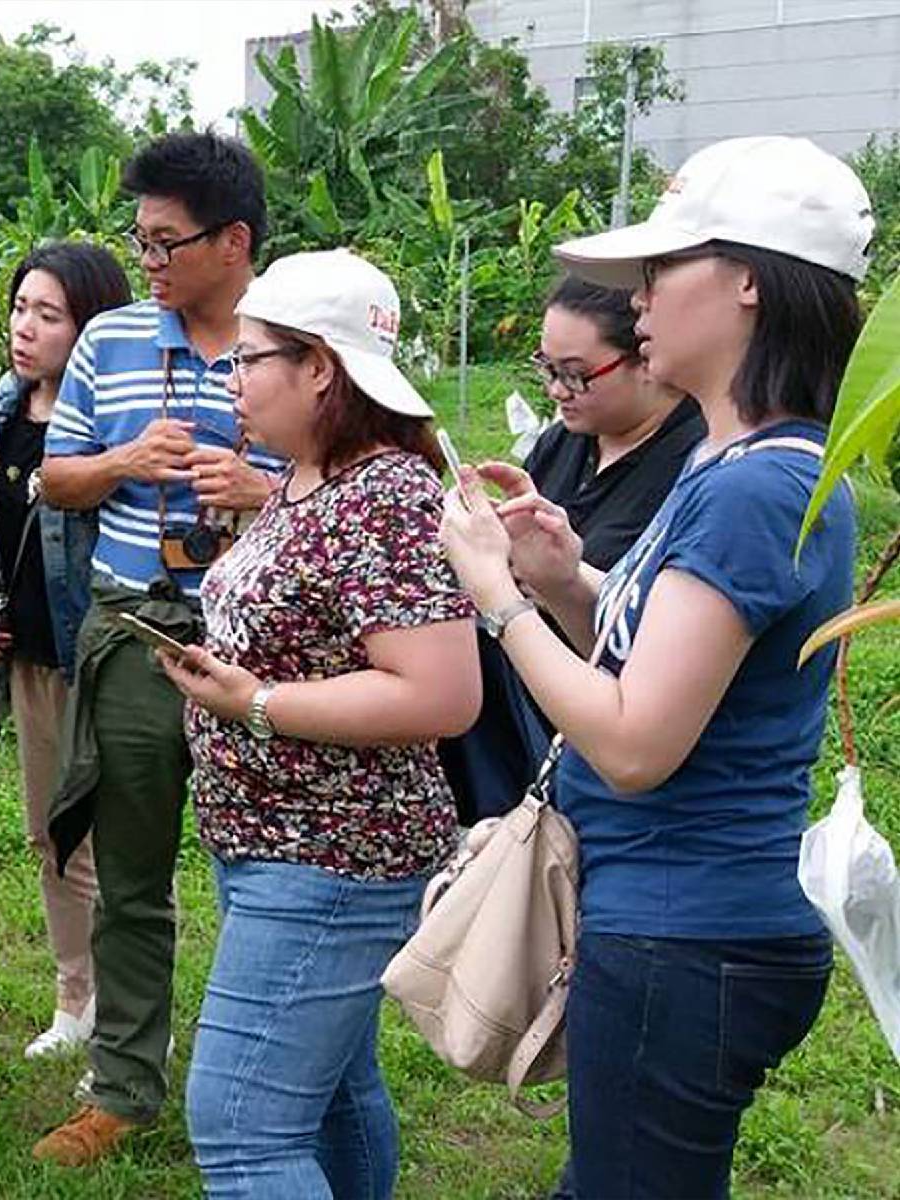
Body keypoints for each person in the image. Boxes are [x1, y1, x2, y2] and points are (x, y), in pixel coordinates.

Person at [439, 135, 869, 1197]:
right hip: (683, 924)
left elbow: (633, 742)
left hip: (688, 934)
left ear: (749, 286)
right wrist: (565, 580)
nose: (637, 302)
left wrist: (497, 598)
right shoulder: (736, 460)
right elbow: (660, 668)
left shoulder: (753, 487)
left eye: (661, 271)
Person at [159, 249, 479, 1198]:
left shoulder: (384, 494)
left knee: (242, 1125)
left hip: (333, 856)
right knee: (333, 1092)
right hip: (278, 843)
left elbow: (439, 694)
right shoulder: (307, 478)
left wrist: (254, 702)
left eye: (249, 359)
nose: (233, 379)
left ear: (320, 368)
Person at [32, 131, 284, 1167]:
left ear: (233, 242)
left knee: (269, 877)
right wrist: (122, 461)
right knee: (130, 875)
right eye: (139, 239)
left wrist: (264, 493)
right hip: (135, 629)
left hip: (265, 643)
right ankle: (126, 1088)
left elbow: (371, 492)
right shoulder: (116, 341)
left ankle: (270, 1079)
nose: (149, 260)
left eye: (166, 241)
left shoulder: (301, 344)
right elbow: (55, 481)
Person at [439, 276, 702, 823]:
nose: (557, 391)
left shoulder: (694, 465)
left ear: (647, 357)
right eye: (548, 369)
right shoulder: (566, 441)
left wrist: (516, 583)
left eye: (577, 375)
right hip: (519, 721)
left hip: (605, 735)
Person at [0, 242, 132, 1059]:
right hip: (32, 658)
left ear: (92, 327)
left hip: (99, 656)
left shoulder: (110, 428)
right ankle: (75, 995)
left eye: (48, 314)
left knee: (113, 841)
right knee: (50, 832)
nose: (24, 328)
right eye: (19, 307)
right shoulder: (8, 408)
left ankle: (130, 1005)